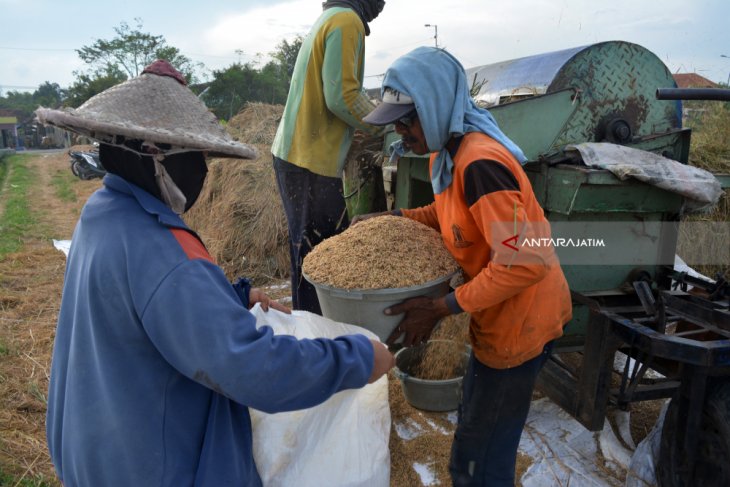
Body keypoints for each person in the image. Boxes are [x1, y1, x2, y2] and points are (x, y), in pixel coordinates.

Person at [36, 60, 394, 487]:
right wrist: (356, 358)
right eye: (197, 156)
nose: (203, 170)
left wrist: (232, 298)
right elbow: (253, 370)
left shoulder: (104, 213)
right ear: (156, 154)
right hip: (149, 466)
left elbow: (143, 302)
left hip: (97, 446)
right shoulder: (163, 250)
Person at [359, 47, 573, 486]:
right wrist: (395, 218)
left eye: (405, 119)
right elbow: (450, 216)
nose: (400, 131)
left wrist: (442, 306)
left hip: (522, 322)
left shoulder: (481, 166)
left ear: (435, 104)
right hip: (497, 316)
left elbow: (523, 263)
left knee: (483, 454)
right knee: (474, 434)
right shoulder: (445, 155)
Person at [271, 0, 386, 314]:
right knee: (318, 254)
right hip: (308, 158)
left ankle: (314, 330)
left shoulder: (332, 17)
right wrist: (385, 125)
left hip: (301, 155)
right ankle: (318, 335)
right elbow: (342, 97)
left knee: (310, 248)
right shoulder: (346, 21)